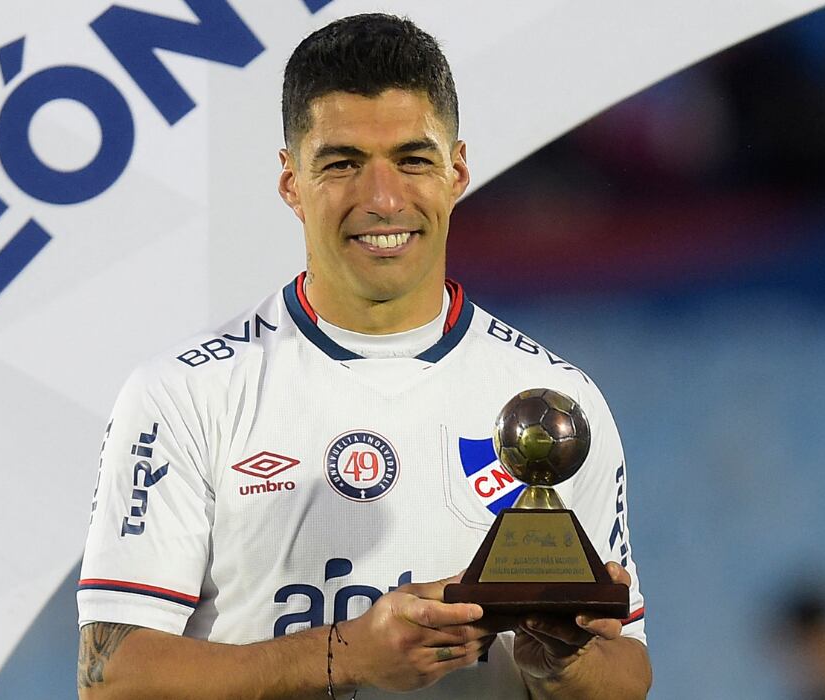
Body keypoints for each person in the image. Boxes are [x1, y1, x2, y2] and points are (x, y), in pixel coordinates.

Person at [76, 13, 650, 699]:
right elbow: (110, 678)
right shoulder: (181, 395)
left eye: (412, 160)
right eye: (343, 163)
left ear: (457, 170)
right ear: (290, 182)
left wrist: (562, 661)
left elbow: (627, 674)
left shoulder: (552, 403)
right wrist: (345, 655)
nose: (382, 199)